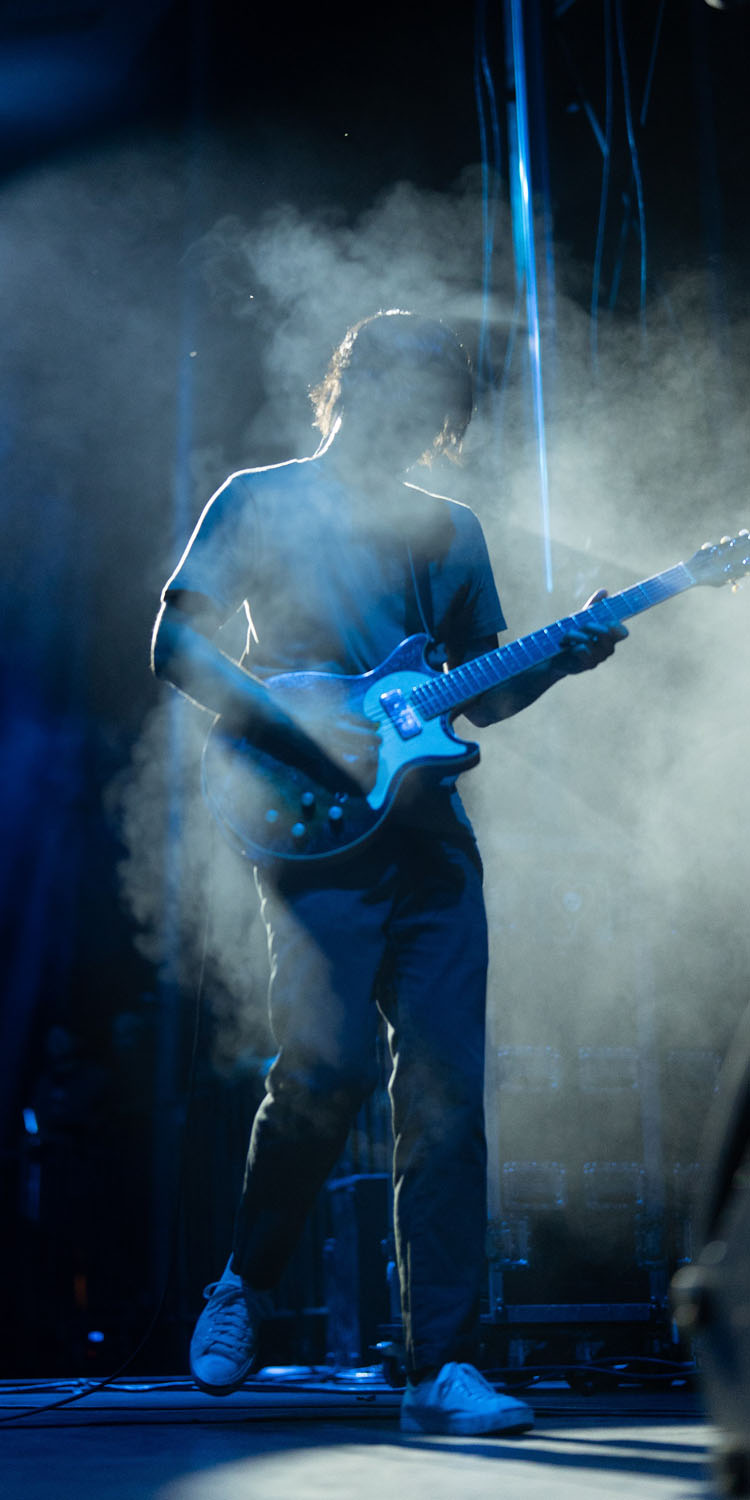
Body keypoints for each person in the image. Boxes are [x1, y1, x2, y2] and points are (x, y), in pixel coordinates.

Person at [151, 309, 627, 1435]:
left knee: (450, 1097)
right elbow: (175, 644)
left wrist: (561, 661)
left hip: (427, 838)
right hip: (309, 825)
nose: (421, 427)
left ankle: (442, 1362)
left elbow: (483, 689)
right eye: (405, 400)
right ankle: (246, 1281)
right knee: (324, 1071)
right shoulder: (257, 499)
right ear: (350, 386)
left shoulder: (449, 531)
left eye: (439, 413)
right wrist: (311, 728)